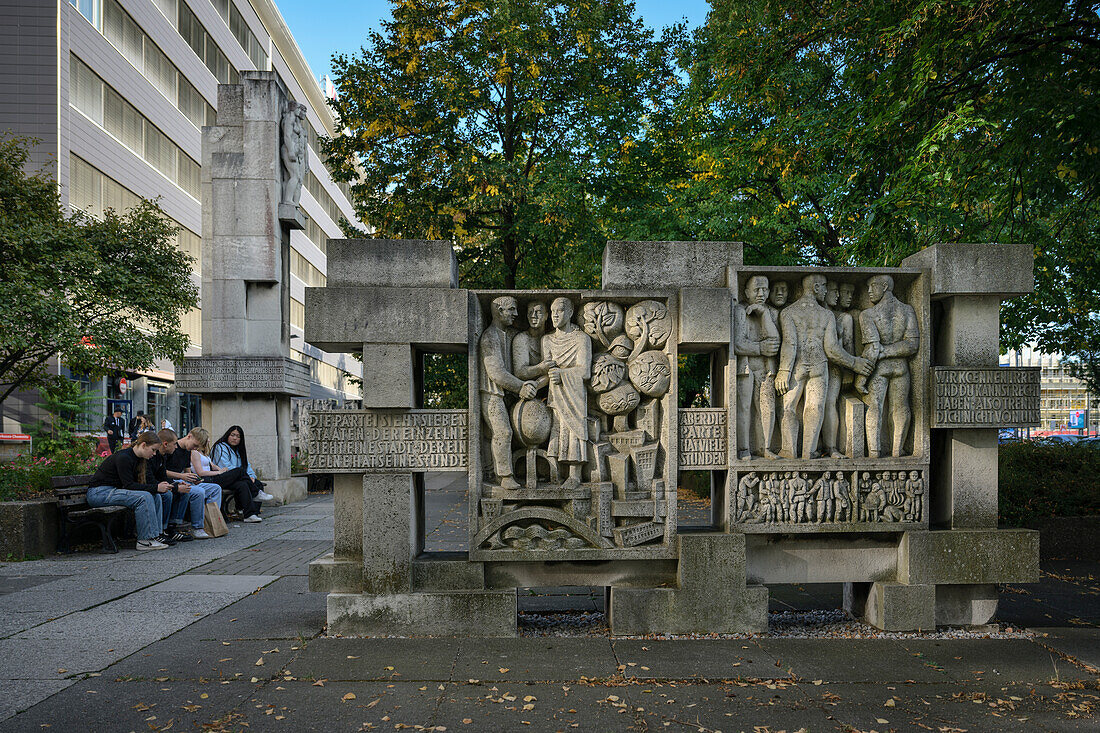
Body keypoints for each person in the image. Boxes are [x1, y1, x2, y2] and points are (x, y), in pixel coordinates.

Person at [85, 432, 177, 550]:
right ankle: (144, 541)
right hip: (99, 493)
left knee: (155, 496)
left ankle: (155, 535)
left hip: (113, 491)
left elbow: (139, 484)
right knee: (144, 497)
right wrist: (156, 487)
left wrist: (160, 487)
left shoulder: (139, 459)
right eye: (153, 450)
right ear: (143, 445)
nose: (154, 454)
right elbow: (128, 485)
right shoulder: (124, 457)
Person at [189, 427, 263, 523]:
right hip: (207, 479)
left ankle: (250, 514)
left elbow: (214, 466)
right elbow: (200, 473)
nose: (209, 440)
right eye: (232, 435)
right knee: (239, 471)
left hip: (214, 477)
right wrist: (219, 472)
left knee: (244, 484)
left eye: (238, 436)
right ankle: (256, 493)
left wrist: (221, 470)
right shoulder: (195, 453)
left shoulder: (204, 454)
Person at [158, 429, 218, 540]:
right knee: (198, 492)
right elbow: (162, 472)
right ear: (189, 436)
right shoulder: (172, 448)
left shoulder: (188, 451)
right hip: (171, 480)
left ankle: (215, 521)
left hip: (182, 479)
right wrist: (182, 477)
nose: (195, 449)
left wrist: (193, 479)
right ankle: (197, 527)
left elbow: (187, 471)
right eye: (195, 445)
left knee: (215, 488)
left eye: (197, 447)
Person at [211, 426, 274, 502]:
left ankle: (254, 512)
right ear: (227, 435)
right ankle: (253, 497)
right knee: (241, 476)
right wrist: (244, 475)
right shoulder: (220, 447)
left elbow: (247, 466)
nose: (235, 438)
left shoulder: (239, 451)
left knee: (257, 484)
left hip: (238, 478)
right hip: (222, 477)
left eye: (238, 436)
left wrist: (251, 477)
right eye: (232, 435)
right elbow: (225, 467)